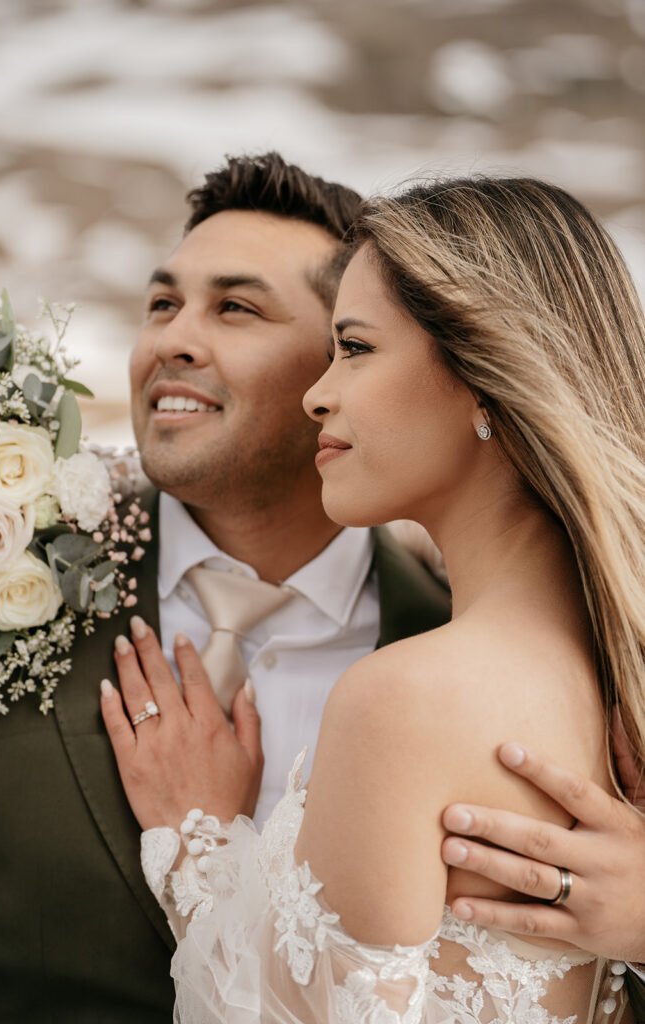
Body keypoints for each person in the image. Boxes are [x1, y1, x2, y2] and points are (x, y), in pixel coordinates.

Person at [102, 176, 645, 1022]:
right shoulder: (613, 675)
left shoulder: (403, 700)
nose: (320, 393)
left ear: (480, 376)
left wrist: (197, 840)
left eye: (352, 348)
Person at [0, 154, 450, 1024]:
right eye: (162, 304)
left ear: (346, 359)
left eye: (235, 307)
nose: (169, 341)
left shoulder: (456, 644)